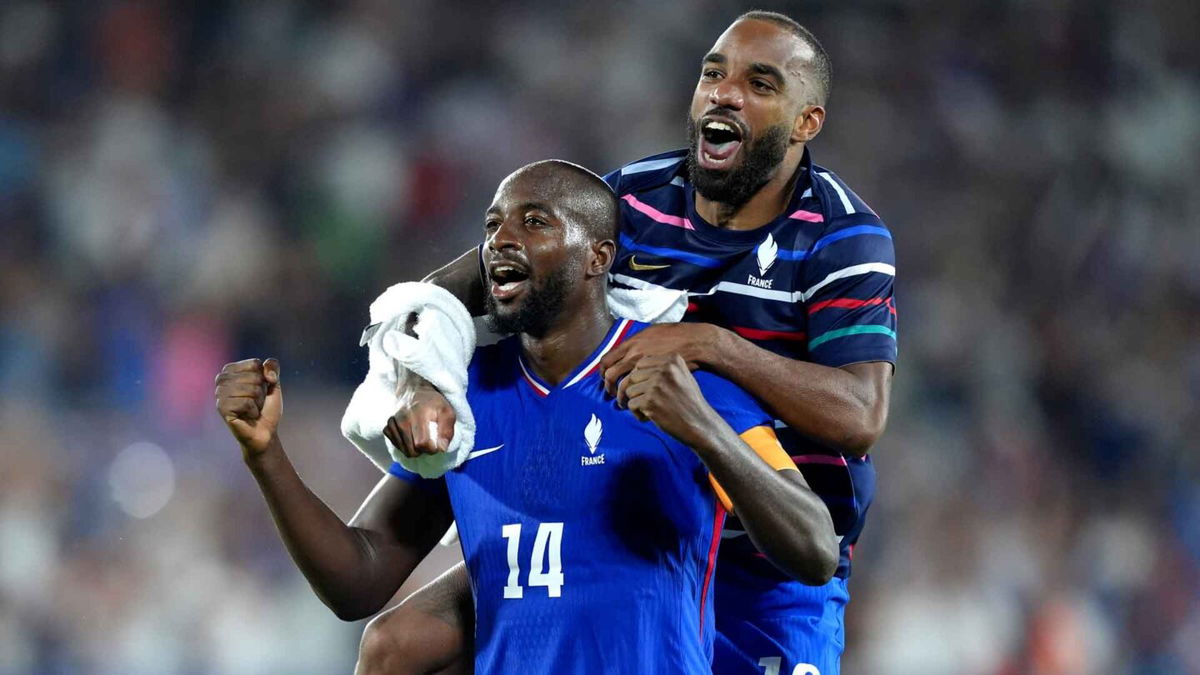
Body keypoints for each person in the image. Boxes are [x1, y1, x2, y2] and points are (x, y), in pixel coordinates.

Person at [360, 11, 896, 675]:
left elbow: (860, 416)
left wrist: (708, 344)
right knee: (396, 644)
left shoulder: (841, 237)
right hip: (621, 534)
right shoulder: (632, 199)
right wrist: (422, 381)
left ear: (806, 121)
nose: (724, 93)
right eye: (712, 74)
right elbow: (446, 294)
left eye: (760, 84)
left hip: (768, 563)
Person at [216, 160, 838, 674]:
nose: (500, 240)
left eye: (533, 221)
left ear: (597, 256)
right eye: (492, 225)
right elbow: (360, 576)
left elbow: (814, 549)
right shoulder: (466, 397)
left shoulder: (681, 375)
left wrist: (703, 430)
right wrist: (266, 455)